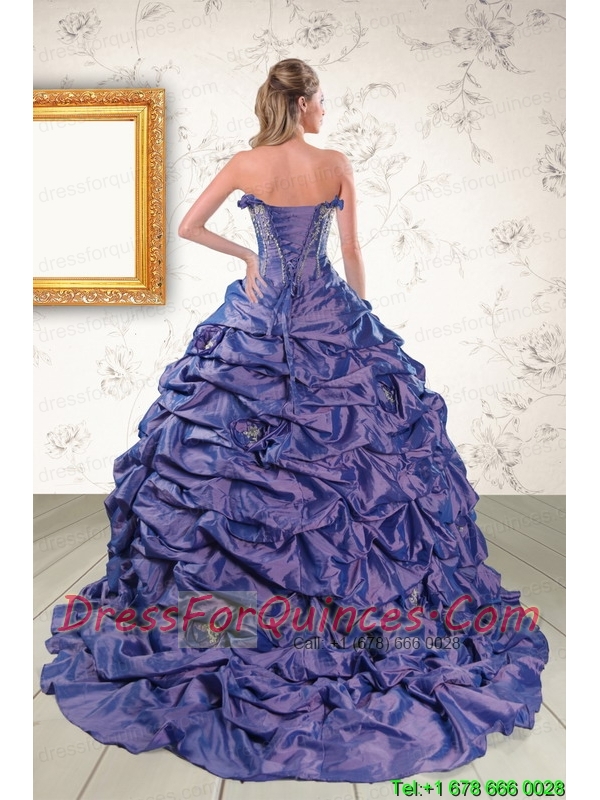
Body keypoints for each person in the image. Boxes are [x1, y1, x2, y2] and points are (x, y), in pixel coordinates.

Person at [40, 58, 549, 784]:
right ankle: (352, 611)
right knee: (358, 467)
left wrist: (248, 255)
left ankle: (228, 610)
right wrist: (360, 325)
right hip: (327, 317)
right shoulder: (334, 163)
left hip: (259, 318)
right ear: (304, 102)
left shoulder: (246, 164)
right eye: (321, 100)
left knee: (229, 462)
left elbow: (187, 226)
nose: (324, 110)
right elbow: (352, 250)